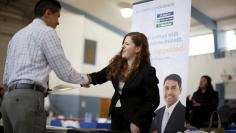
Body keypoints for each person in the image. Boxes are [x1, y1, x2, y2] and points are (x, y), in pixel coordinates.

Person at [2, 0, 89, 133]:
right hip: (28, 100)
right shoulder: (47, 33)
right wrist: (86, 79)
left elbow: (6, 77)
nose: (58, 22)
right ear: (48, 13)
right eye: (58, 16)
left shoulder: (16, 36)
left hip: (8, 101)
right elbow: (64, 71)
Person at [83, 32, 160, 133]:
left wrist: (136, 121)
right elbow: (98, 76)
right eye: (123, 43)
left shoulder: (147, 71)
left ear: (138, 48)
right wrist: (83, 78)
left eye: (127, 44)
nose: (123, 46)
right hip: (117, 115)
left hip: (136, 120)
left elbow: (153, 100)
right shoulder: (116, 66)